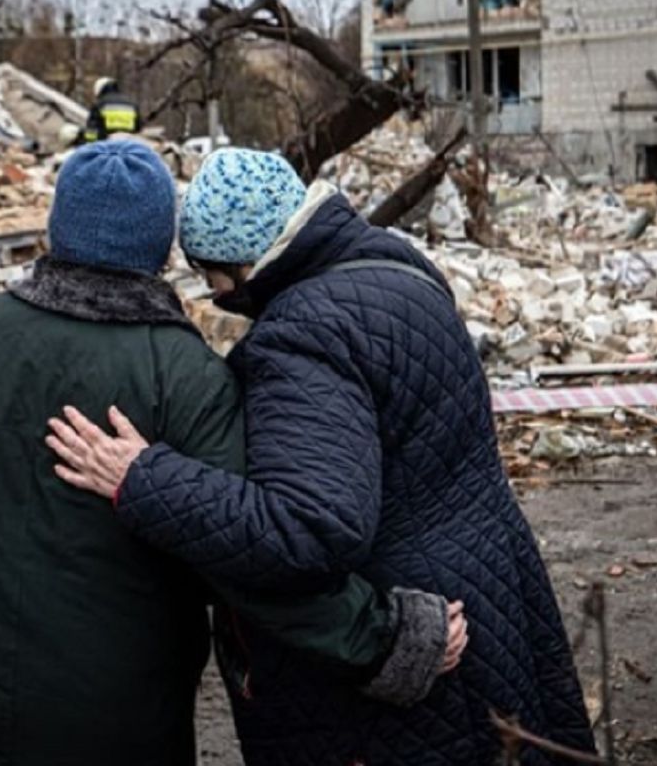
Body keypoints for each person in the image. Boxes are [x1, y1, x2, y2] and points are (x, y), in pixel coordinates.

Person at [0, 140, 467, 766]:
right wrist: (384, 640)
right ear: (159, 249)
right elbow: (252, 560)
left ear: (57, 227)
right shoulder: (184, 375)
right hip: (118, 716)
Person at [48, 149, 597, 765]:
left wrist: (142, 479)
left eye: (212, 276)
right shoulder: (395, 270)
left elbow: (306, 529)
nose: (213, 293)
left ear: (245, 263)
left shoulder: (302, 336)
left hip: (411, 658)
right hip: (491, 596)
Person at [82, 76, 140, 143]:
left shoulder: (100, 104)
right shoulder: (131, 103)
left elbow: (92, 130)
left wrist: (89, 143)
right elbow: (138, 127)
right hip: (127, 144)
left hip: (106, 145)